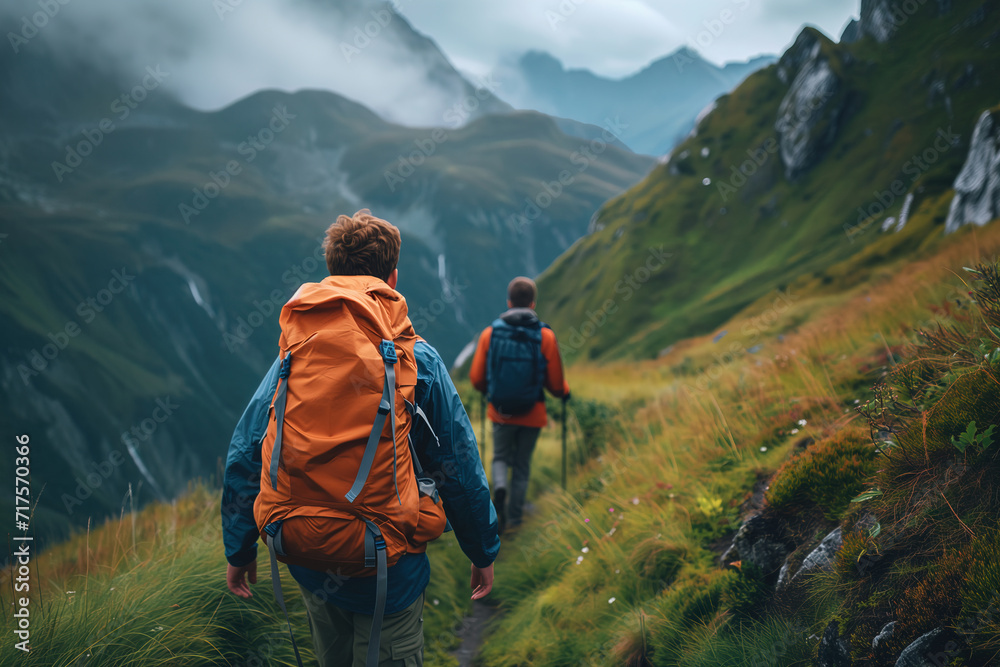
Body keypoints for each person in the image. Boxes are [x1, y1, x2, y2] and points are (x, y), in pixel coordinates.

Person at [221, 210, 499, 667]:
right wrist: (481, 549)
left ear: (333, 273)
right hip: (386, 564)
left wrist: (239, 546)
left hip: (304, 548)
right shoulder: (416, 358)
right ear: (392, 278)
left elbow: (247, 449)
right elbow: (456, 462)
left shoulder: (293, 353)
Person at [470, 276, 570, 534]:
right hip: (532, 412)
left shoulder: (490, 333)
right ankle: (515, 519)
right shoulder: (545, 336)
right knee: (522, 465)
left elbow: (477, 378)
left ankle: (499, 488)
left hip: (500, 410)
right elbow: (556, 383)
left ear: (509, 301)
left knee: (500, 456)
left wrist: (488, 391)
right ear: (533, 303)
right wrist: (564, 393)